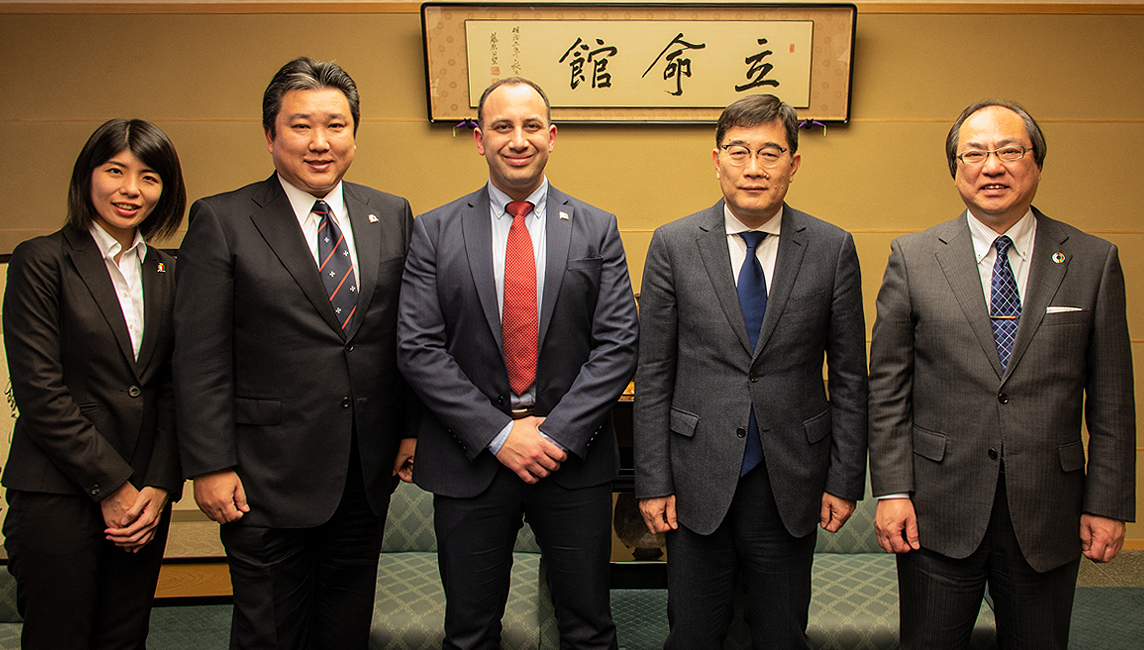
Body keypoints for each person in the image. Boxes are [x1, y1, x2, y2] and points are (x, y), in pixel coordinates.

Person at [868, 99, 1136, 649]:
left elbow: (1112, 399)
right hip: (937, 509)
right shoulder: (914, 257)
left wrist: (1107, 501)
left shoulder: (1092, 260)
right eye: (975, 153)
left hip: (1048, 509)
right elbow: (888, 388)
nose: (993, 167)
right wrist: (892, 489)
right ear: (956, 169)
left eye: (1009, 151)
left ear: (1036, 163)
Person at [173, 57, 418, 649]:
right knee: (271, 632)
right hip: (263, 476)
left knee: (344, 627)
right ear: (270, 135)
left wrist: (409, 431)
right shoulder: (223, 219)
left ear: (354, 135)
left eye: (336, 125)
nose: (319, 142)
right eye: (301, 125)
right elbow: (199, 355)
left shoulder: (390, 213)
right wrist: (209, 464)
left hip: (363, 471)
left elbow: (401, 336)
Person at [396, 77, 638, 650]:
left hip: (570, 460)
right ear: (478, 139)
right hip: (470, 459)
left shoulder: (596, 227)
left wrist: (553, 434)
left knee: (588, 627)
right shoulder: (434, 230)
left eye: (531, 126)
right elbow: (417, 346)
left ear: (552, 137)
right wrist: (500, 434)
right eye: (501, 126)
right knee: (471, 631)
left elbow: (619, 343)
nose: (517, 138)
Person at [634, 94, 868, 650]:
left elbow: (853, 377)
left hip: (791, 474)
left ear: (794, 163)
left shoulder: (833, 248)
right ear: (716, 160)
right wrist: (653, 479)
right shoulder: (674, 244)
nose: (754, 167)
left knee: (782, 632)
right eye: (739, 151)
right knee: (692, 631)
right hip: (695, 473)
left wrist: (843, 478)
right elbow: (653, 373)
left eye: (771, 152)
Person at [2, 118, 186, 649]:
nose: (132, 189)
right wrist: (115, 487)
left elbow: (175, 388)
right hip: (58, 494)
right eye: (115, 170)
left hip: (143, 503)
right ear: (88, 176)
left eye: (149, 177)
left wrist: (158, 486)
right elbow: (40, 392)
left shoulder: (171, 272)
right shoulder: (41, 261)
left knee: (125, 639)